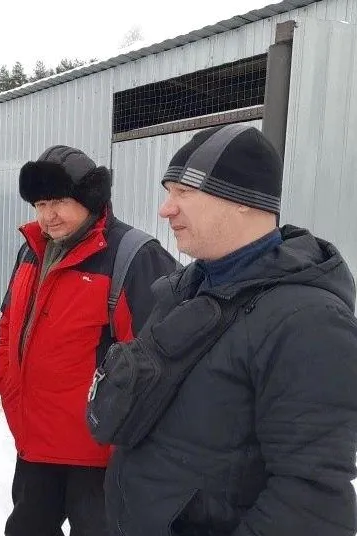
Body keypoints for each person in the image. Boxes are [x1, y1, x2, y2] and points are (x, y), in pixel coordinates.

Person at [98, 124, 357, 535]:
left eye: (183, 193)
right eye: (169, 192)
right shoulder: (185, 289)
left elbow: (311, 502)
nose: (166, 209)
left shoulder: (308, 320)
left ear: (243, 201)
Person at [0, 145, 180, 536]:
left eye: (58, 201)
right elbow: (9, 325)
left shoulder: (133, 256)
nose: (47, 216)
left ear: (90, 198)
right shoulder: (32, 252)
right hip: (35, 444)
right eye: (40, 204)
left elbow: (160, 361)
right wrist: (9, 385)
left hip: (99, 457)